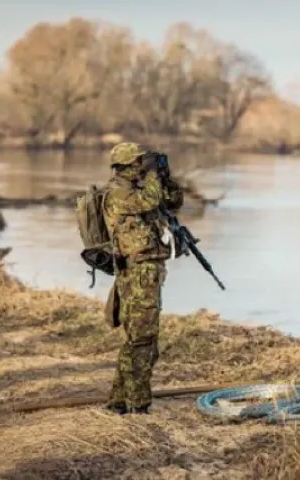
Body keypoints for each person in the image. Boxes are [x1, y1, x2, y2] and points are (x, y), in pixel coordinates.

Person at [101, 142, 184, 415]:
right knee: (142, 341)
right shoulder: (118, 193)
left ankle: (118, 402)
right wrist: (152, 176)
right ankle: (138, 405)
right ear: (126, 165)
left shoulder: (138, 190)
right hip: (136, 273)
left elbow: (173, 202)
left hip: (147, 272)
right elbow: (149, 200)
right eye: (140, 162)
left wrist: (165, 176)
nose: (142, 166)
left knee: (141, 340)